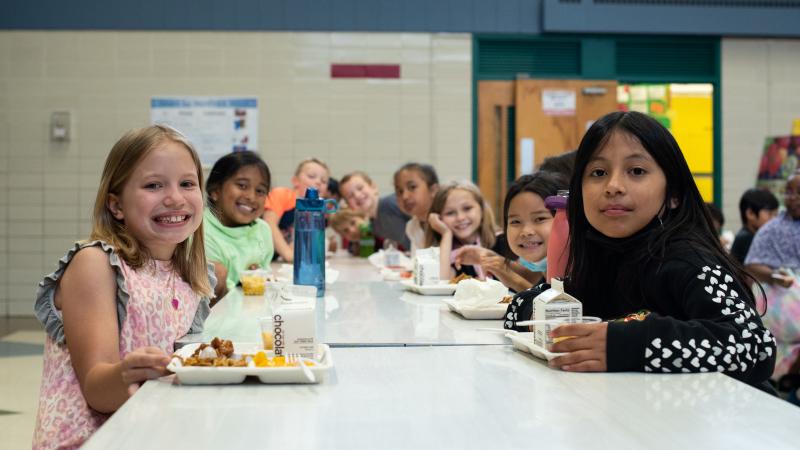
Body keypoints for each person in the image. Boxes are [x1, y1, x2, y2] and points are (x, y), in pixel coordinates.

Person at [548, 111, 775, 391]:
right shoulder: (603, 253)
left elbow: (753, 347)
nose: (613, 186)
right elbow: (564, 298)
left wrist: (628, 344)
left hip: (731, 424)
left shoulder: (690, 260)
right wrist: (530, 309)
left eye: (637, 171)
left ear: (674, 194)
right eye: (598, 173)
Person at [32, 125, 215, 449]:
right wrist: (128, 374)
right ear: (116, 205)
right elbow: (96, 389)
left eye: (187, 183)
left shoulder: (186, 275)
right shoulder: (96, 264)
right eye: (154, 185)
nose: (175, 197)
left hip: (147, 434)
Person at [453, 172, 568, 293]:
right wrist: (493, 259)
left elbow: (555, 308)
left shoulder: (579, 271)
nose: (526, 232)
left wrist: (514, 280)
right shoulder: (547, 267)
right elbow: (539, 280)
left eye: (540, 219)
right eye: (515, 221)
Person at [745, 174, 800, 382]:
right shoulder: (772, 229)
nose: (792, 198)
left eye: (798, 193)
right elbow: (752, 265)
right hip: (783, 302)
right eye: (789, 192)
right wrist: (776, 277)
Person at [205, 151, 274, 300]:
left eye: (260, 191)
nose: (251, 196)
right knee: (216, 272)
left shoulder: (262, 230)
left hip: (251, 313)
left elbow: (264, 274)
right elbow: (218, 294)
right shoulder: (199, 231)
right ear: (215, 191)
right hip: (216, 317)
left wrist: (258, 274)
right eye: (242, 185)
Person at [424, 181, 499, 280]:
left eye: (467, 208)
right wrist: (446, 234)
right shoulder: (448, 253)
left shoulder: (501, 241)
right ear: (439, 218)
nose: (460, 217)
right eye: (450, 213)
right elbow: (440, 281)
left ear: (481, 209)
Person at [262, 157, 330, 262]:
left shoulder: (315, 212)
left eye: (324, 181)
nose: (318, 182)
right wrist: (289, 255)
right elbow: (269, 224)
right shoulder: (282, 194)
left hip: (276, 261)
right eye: (311, 176)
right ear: (295, 181)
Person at [339, 171, 411, 249]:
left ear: (373, 187)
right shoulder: (373, 225)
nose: (357, 195)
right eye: (350, 196)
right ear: (349, 205)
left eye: (360, 188)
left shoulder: (391, 203)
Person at [393, 163, 439, 257]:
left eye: (412, 187)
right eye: (399, 191)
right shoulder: (412, 227)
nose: (405, 196)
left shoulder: (446, 223)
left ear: (433, 190)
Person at [730, 188, 778, 264]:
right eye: (769, 214)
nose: (774, 220)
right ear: (750, 213)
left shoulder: (753, 235)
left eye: (776, 215)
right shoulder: (746, 238)